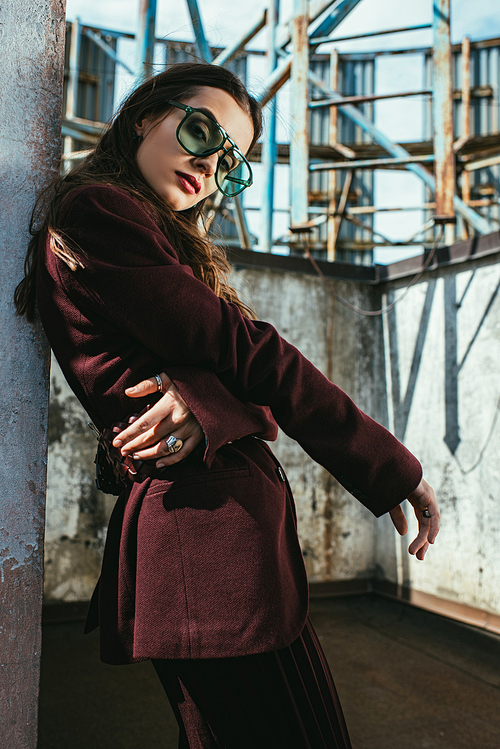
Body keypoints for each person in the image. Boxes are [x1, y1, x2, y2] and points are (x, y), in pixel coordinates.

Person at [15, 62, 439, 748]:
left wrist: (217, 403)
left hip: (232, 548)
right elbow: (248, 351)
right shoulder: (97, 211)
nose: (212, 163)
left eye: (232, 161)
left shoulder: (155, 242)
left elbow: (246, 387)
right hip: (204, 546)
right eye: (202, 130)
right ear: (146, 116)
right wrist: (389, 465)